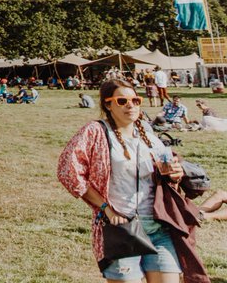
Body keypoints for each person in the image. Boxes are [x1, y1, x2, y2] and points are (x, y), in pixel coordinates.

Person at [58, 78, 199, 283]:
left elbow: (166, 170)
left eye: (135, 100)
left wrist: (175, 174)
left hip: (159, 228)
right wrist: (105, 208)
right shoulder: (96, 131)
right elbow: (69, 171)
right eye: (122, 101)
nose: (130, 105)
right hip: (122, 228)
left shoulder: (148, 134)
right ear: (108, 104)